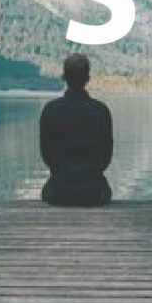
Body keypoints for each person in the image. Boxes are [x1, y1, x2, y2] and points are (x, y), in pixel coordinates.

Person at [39, 53, 113, 206]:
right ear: (87, 78)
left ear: (63, 77)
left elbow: (46, 154)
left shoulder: (51, 110)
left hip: (59, 192)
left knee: (47, 191)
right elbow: (106, 156)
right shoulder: (101, 111)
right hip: (94, 192)